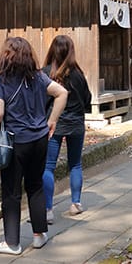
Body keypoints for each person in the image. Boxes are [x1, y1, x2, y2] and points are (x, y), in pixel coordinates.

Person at [0, 37, 68, 255]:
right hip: (40, 139)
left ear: (6, 56)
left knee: (12, 192)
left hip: (16, 142)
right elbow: (62, 93)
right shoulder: (38, 77)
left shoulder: (1, 81)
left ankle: (12, 242)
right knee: (35, 186)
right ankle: (39, 234)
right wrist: (52, 120)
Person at [41, 35, 92, 223]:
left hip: (52, 124)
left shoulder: (45, 73)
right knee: (75, 164)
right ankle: (75, 203)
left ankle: (47, 210)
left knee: (48, 166)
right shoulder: (78, 75)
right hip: (76, 123)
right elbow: (87, 99)